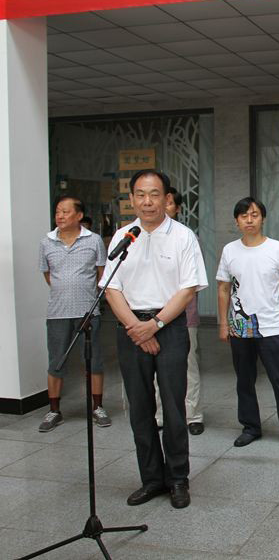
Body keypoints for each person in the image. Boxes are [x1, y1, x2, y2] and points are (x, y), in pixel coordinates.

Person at [103, 169, 207, 509]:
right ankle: (151, 479)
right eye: (140, 194)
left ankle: (177, 478)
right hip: (131, 328)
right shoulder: (123, 236)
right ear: (131, 198)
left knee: (174, 408)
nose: (147, 201)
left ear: (166, 198)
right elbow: (111, 288)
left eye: (154, 194)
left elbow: (188, 288)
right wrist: (137, 327)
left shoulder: (183, 236)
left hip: (170, 327)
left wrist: (156, 324)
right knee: (140, 408)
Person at [216, 197, 279, 449]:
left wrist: (273, 305)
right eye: (244, 216)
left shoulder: (277, 249)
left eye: (254, 215)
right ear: (237, 221)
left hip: (271, 326)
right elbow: (223, 288)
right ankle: (250, 427)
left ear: (262, 218)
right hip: (240, 328)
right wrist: (223, 324)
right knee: (244, 380)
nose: (249, 220)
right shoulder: (230, 250)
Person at [38, 196, 108, 432]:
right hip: (57, 312)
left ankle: (98, 407)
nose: (60, 216)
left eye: (65, 212)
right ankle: (54, 411)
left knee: (94, 360)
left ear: (79, 215)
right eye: (58, 212)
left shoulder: (94, 240)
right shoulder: (46, 242)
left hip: (88, 311)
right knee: (56, 361)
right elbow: (48, 275)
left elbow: (102, 274)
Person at [154, 187, 204, 435]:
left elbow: (193, 282)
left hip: (185, 315)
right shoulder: (144, 237)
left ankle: (192, 415)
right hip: (152, 316)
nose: (164, 207)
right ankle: (161, 415)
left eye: (169, 203)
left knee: (188, 365)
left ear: (177, 208)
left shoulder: (186, 237)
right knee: (156, 369)